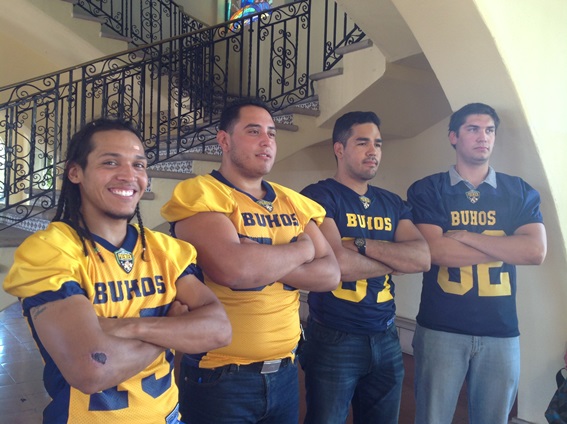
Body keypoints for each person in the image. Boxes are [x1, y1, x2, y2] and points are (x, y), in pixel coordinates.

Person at [3, 118, 232, 424]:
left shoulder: (166, 249)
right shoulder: (50, 251)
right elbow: (91, 370)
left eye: (139, 165)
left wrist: (127, 327)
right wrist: (172, 330)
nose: (129, 175)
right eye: (110, 162)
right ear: (75, 172)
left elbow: (219, 329)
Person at [160, 97, 340, 423]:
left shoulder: (294, 201)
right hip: (220, 376)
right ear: (224, 140)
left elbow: (330, 274)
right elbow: (235, 270)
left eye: (271, 133)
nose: (266, 141)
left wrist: (260, 259)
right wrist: (302, 251)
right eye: (253, 131)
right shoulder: (201, 192)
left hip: (286, 373)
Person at [406, 103, 547, 424]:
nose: (482, 137)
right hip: (440, 327)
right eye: (473, 129)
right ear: (453, 136)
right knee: (432, 418)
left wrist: (467, 235)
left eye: (489, 130)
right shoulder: (429, 189)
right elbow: (435, 252)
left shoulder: (518, 191)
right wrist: (509, 247)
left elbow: (535, 252)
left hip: (501, 330)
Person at [300, 111, 431, 424]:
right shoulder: (318, 196)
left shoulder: (393, 202)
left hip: (386, 336)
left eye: (378, 143)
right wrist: (393, 260)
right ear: (339, 149)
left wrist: (358, 244)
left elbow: (422, 258)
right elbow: (338, 266)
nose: (373, 151)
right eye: (362, 142)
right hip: (334, 336)